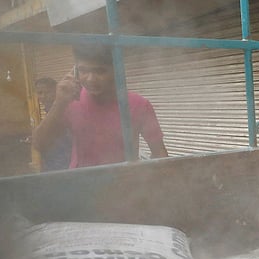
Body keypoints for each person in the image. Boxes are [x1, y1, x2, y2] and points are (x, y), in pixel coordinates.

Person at [32, 45, 167, 169]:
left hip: (125, 186)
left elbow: (160, 153)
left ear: (116, 69)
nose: (90, 79)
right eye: (83, 70)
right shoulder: (70, 102)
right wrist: (59, 103)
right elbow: (39, 144)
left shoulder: (139, 105)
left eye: (100, 71)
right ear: (75, 71)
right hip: (82, 185)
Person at [34, 77, 72, 171]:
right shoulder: (48, 113)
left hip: (65, 165)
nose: (43, 96)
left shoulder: (65, 111)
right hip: (50, 165)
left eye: (47, 92)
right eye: (40, 93)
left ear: (56, 92)